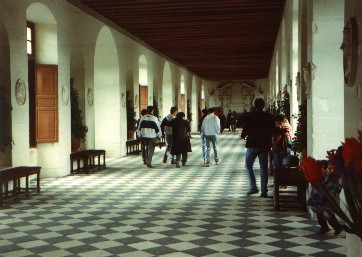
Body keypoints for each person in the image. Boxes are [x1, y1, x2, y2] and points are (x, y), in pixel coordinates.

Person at [240, 98, 275, 198]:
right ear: (263, 105)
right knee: (263, 168)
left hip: (252, 144)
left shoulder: (250, 116)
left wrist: (243, 135)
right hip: (264, 145)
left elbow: (246, 129)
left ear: (254, 105)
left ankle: (253, 187)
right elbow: (273, 130)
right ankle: (264, 191)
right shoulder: (269, 116)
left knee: (248, 165)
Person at [307, 160, 343, 236]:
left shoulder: (330, 178)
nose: (327, 170)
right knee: (319, 215)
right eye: (324, 168)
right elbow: (315, 187)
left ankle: (337, 227)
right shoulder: (317, 178)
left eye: (328, 168)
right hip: (319, 201)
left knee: (328, 215)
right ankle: (324, 227)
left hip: (328, 200)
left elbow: (333, 189)